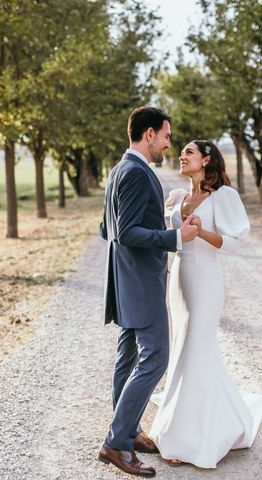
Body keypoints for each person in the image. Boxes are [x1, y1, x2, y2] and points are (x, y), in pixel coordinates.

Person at [148, 140, 262, 468]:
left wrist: (200, 233)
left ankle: (187, 439)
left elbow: (233, 245)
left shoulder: (223, 198)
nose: (181, 156)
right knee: (182, 349)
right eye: (181, 152)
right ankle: (182, 427)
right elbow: (168, 238)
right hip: (179, 279)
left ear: (206, 159)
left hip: (205, 281)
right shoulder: (178, 198)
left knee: (195, 348)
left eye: (188, 152)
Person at [97, 107, 199, 477]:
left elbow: (105, 229)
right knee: (155, 358)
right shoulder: (138, 173)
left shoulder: (119, 170)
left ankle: (129, 429)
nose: (170, 143)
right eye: (167, 136)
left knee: (128, 358)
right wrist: (175, 237)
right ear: (150, 134)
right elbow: (125, 233)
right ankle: (116, 443)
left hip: (125, 281)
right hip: (141, 282)